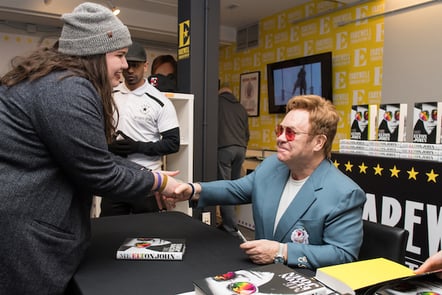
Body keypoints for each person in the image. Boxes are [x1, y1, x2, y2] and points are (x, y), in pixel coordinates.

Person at [0, 3, 180, 294]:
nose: (125, 65)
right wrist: (160, 182)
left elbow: (95, 157)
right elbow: (100, 172)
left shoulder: (56, 81)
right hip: (25, 236)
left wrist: (155, 180)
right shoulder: (66, 88)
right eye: (119, 55)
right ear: (94, 54)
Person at [170, 95, 366, 270]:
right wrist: (192, 189)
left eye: (290, 133)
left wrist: (282, 252)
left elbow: (343, 255)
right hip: (260, 274)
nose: (280, 138)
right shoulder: (272, 166)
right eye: (280, 130)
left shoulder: (345, 193)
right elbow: (235, 189)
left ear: (318, 142)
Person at [101, 42, 180, 215]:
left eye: (135, 66)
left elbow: (173, 143)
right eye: (127, 65)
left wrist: (138, 147)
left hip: (147, 181)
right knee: (109, 231)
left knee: (147, 234)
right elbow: (95, 133)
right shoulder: (108, 96)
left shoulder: (160, 101)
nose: (129, 70)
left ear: (145, 66)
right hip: (115, 177)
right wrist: (108, 146)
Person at [217, 83, 250, 235]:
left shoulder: (216, 103)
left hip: (224, 149)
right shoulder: (241, 108)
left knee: (225, 188)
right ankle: (231, 223)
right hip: (241, 150)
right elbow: (247, 134)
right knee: (234, 188)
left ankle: (229, 226)